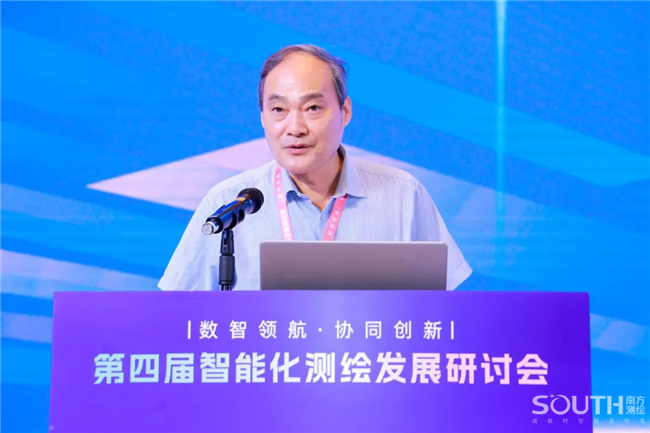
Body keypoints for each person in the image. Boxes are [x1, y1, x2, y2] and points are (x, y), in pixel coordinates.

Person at [159, 44, 472, 292]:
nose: (295, 128)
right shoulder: (228, 205)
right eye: (278, 109)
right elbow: (175, 319)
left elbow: (446, 318)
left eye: (312, 108)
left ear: (345, 111)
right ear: (262, 117)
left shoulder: (403, 195)